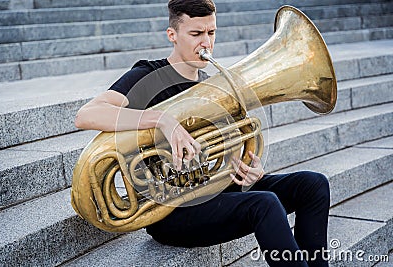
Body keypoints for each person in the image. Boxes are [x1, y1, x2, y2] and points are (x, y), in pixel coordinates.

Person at [74, 0, 330, 266]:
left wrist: (247, 174)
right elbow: (87, 115)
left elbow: (227, 154)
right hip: (171, 212)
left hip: (212, 195)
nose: (205, 43)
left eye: (211, 33)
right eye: (195, 34)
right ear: (172, 35)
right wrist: (161, 119)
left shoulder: (213, 87)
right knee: (264, 204)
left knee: (313, 185)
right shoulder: (148, 75)